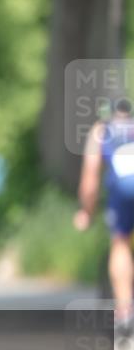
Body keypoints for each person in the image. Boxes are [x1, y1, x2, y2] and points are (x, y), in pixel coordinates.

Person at [74, 99, 134, 337]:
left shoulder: (102, 130)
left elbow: (90, 180)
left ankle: (124, 310)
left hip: (122, 191)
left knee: (119, 244)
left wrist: (86, 212)